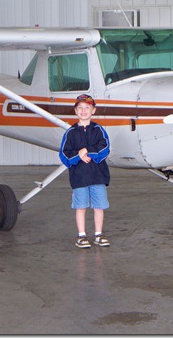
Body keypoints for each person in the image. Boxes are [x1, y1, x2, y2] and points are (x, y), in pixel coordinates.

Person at [59, 94, 111, 249]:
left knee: (99, 206)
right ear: (75, 111)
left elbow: (105, 148)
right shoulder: (70, 133)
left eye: (87, 108)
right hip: (79, 177)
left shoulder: (99, 130)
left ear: (93, 110)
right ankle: (81, 236)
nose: (83, 111)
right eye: (80, 108)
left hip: (98, 176)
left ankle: (98, 234)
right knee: (80, 206)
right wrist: (78, 156)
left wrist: (87, 151)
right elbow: (64, 154)